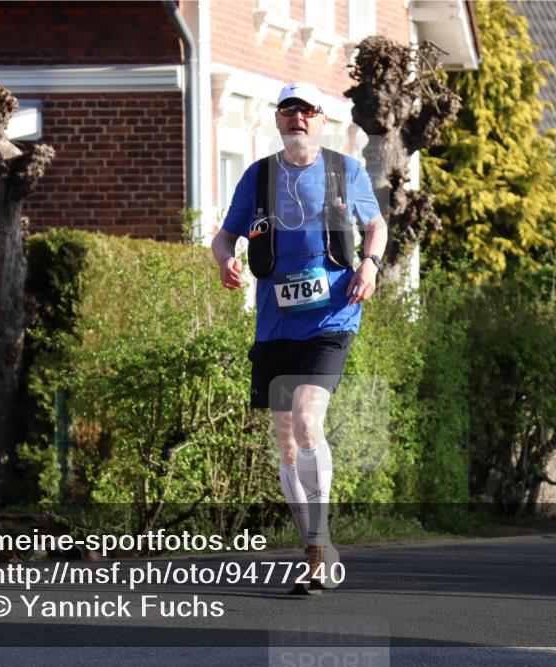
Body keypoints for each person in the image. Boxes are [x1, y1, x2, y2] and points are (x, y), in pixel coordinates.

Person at [211, 82, 387, 594]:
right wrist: (226, 259)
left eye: (307, 111)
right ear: (278, 119)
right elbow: (226, 234)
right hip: (274, 325)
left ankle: (319, 540)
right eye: (288, 111)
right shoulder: (258, 175)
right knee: (286, 442)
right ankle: (314, 546)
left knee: (309, 419)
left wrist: (371, 265)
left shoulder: (344, 170)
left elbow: (375, 225)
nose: (297, 119)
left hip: (332, 317)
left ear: (322, 120)